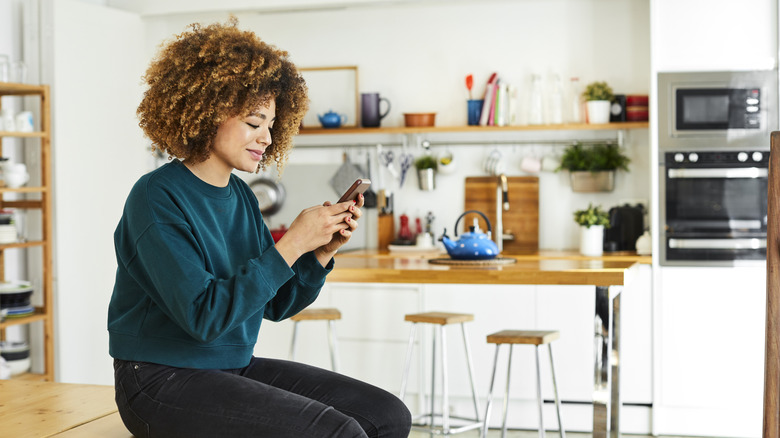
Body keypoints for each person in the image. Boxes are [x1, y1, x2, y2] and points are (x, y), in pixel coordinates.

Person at [107, 18, 411, 438]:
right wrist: (292, 243)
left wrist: (321, 251)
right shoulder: (156, 196)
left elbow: (276, 303)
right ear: (209, 111)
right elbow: (204, 317)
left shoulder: (243, 197)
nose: (266, 137)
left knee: (387, 416)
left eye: (271, 125)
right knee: (339, 433)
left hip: (229, 367)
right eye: (254, 122)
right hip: (159, 379)